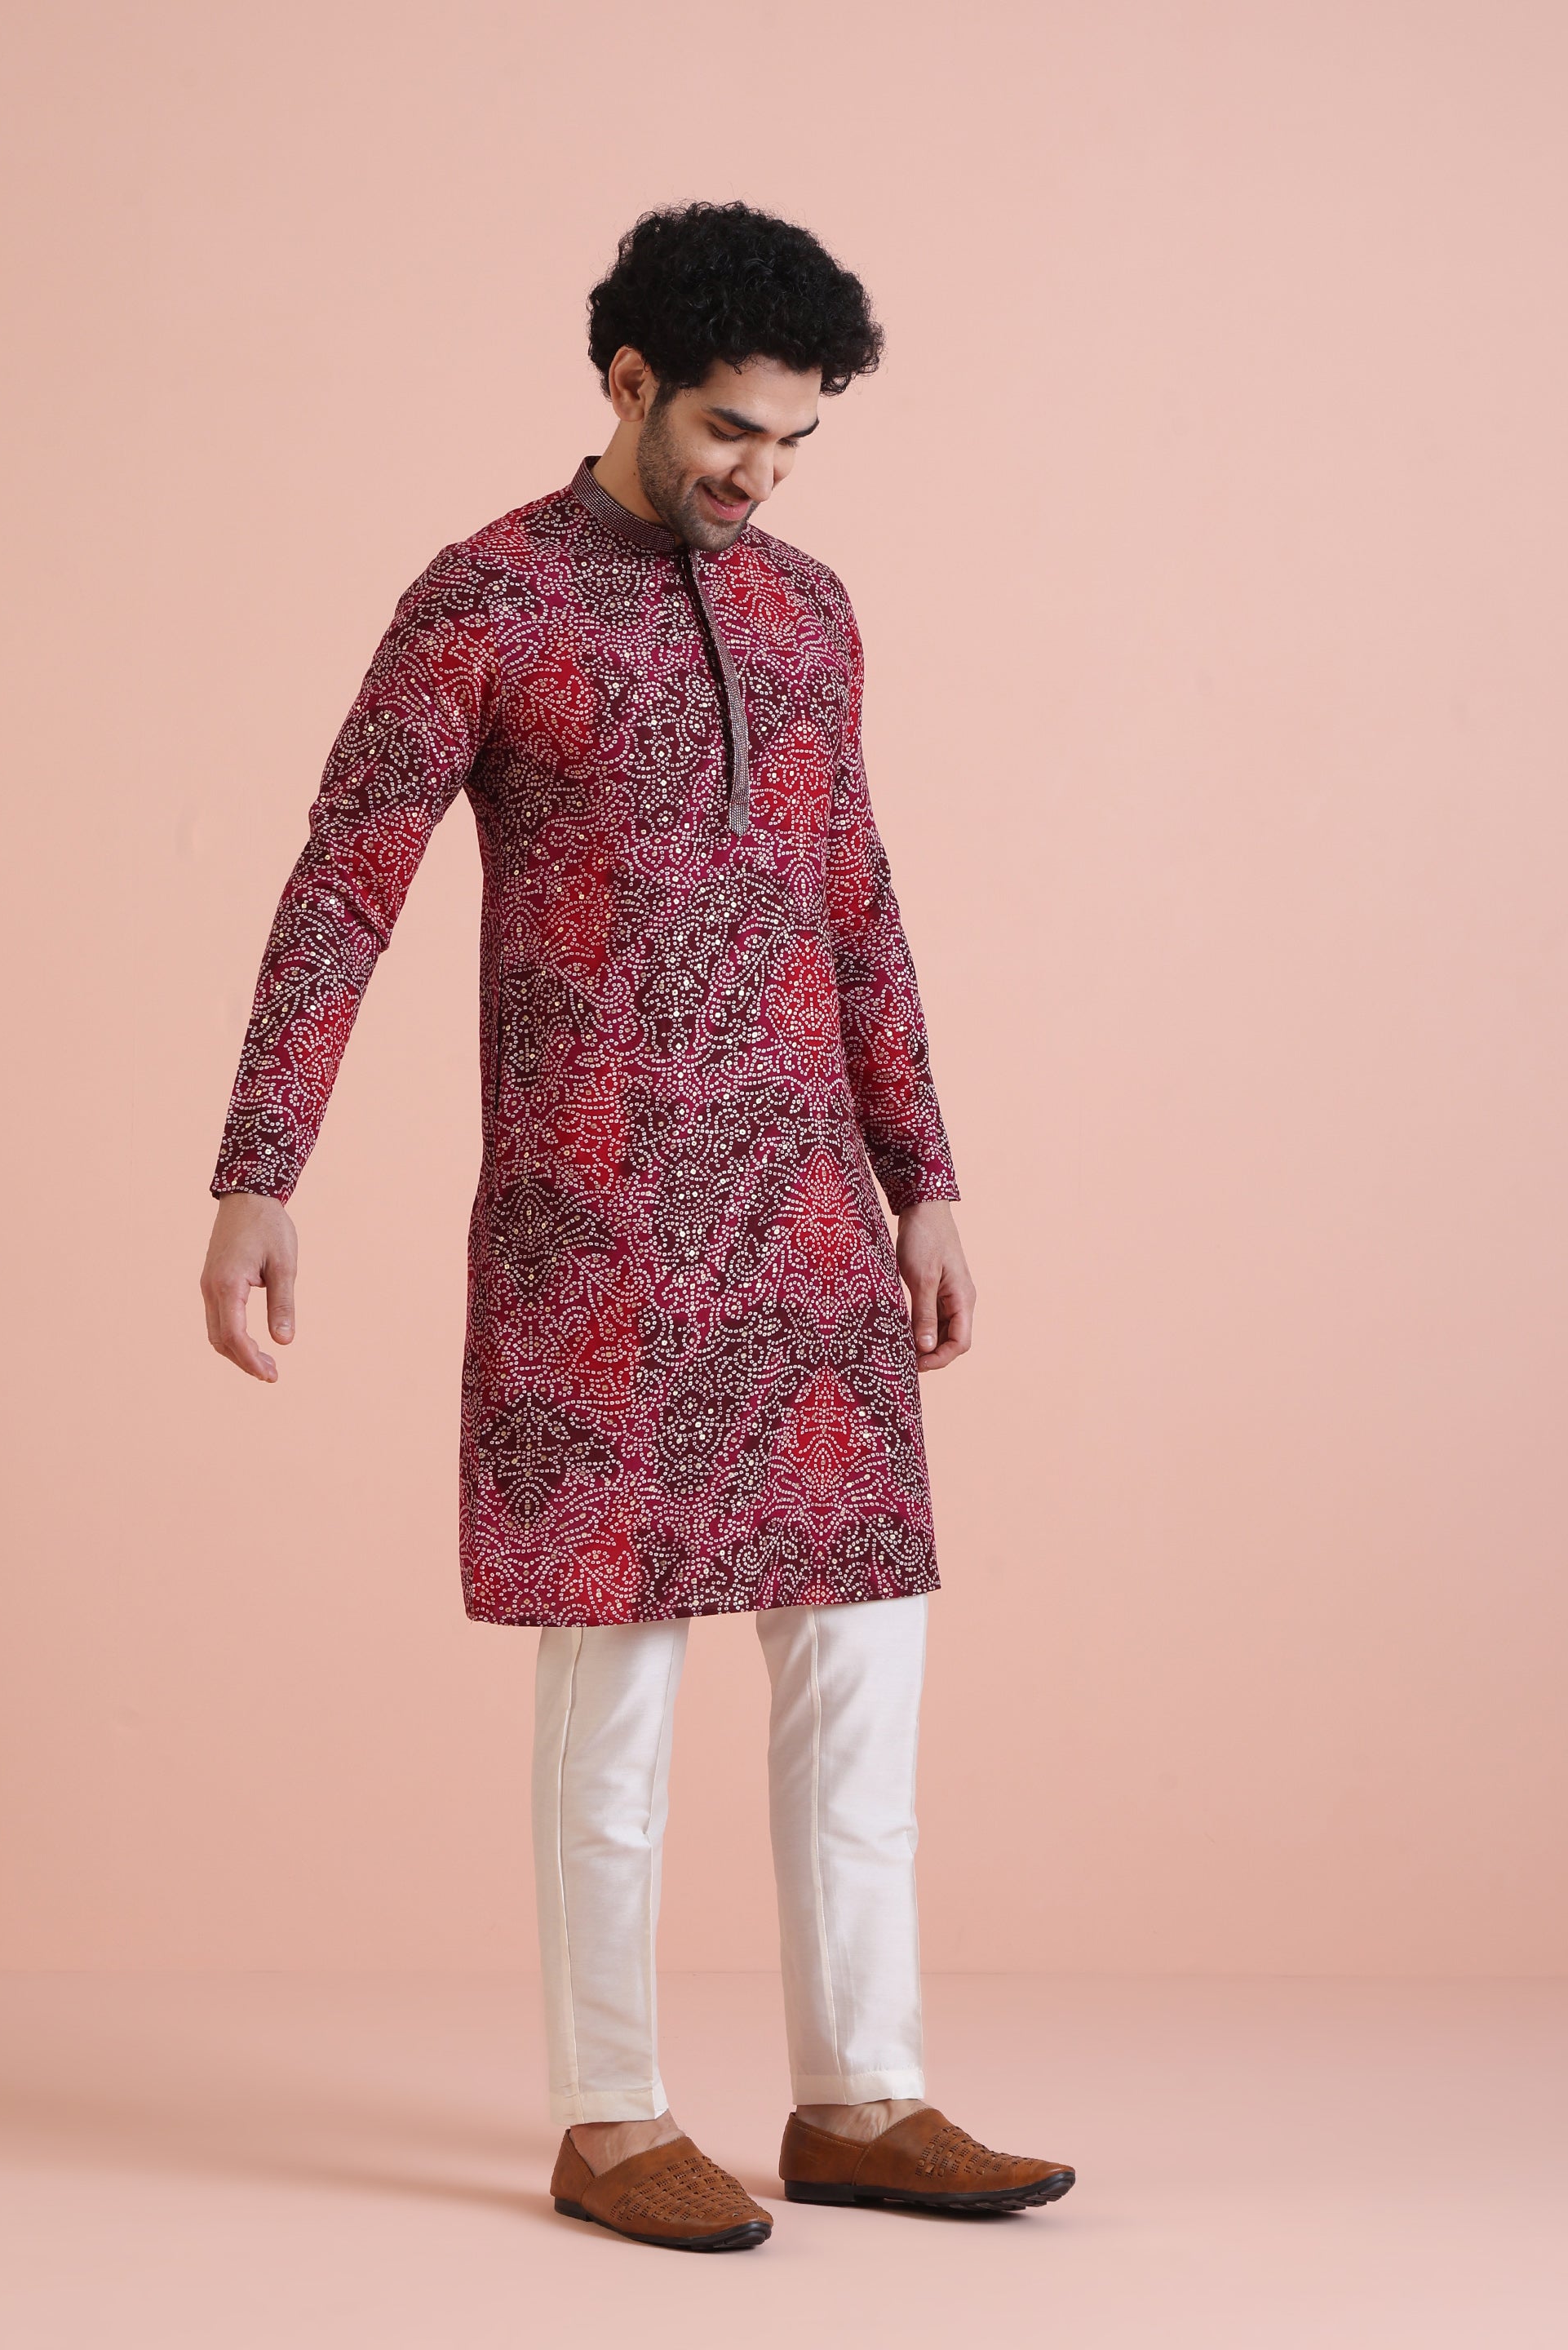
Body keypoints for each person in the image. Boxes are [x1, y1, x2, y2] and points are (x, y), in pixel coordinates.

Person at [200, 201, 1074, 2251]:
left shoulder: (814, 615)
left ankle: (864, 2093)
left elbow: (856, 900)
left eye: (796, 440)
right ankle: (611, 2117)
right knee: (618, 1680)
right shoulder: (485, 601)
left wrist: (928, 1179)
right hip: (593, 1224)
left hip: (809, 1221)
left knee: (861, 1661)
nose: (762, 475)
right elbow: (344, 885)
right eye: (728, 431)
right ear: (626, 382)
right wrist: (259, 1169)